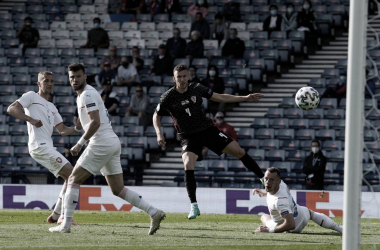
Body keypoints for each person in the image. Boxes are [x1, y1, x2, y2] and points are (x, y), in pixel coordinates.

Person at [49, 63, 165, 234]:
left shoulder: (87, 94)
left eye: (78, 76)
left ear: (85, 76)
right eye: (72, 77)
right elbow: (93, 120)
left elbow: (95, 123)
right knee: (117, 189)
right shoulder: (87, 94)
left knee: (73, 179)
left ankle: (65, 225)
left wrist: (79, 143)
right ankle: (154, 212)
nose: (75, 80)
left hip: (101, 142)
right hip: (111, 142)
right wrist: (80, 124)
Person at [153, 65, 265, 219]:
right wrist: (159, 134)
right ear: (174, 78)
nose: (182, 79)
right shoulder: (168, 97)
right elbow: (156, 115)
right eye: (179, 77)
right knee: (187, 162)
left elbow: (220, 97)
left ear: (188, 76)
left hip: (207, 130)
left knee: (239, 151)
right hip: (188, 136)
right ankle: (194, 206)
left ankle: (262, 179)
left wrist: (245, 98)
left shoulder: (197, 88)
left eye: (185, 76)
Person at [7, 71, 80, 226]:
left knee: (71, 176)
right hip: (38, 146)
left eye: (52, 81)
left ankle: (55, 215)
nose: (49, 83)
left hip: (47, 146)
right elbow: (11, 109)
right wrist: (31, 119)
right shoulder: (31, 96)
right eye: (46, 80)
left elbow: (62, 130)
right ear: (39, 83)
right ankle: (63, 216)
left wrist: (77, 128)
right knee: (72, 174)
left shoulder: (52, 106)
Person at [252, 167, 342, 234]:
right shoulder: (282, 184)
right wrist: (264, 194)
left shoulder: (279, 201)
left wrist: (269, 230)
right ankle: (339, 228)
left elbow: (291, 224)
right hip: (301, 214)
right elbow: (287, 188)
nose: (267, 182)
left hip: (290, 227)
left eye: (271, 180)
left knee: (264, 217)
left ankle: (275, 228)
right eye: (266, 179)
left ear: (278, 181)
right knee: (310, 213)